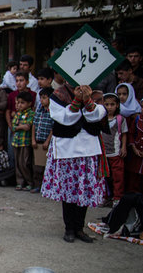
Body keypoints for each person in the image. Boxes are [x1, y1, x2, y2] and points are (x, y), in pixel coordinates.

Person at [41, 84, 106, 243]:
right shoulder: (59, 94)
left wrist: (87, 99)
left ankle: (79, 228)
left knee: (83, 190)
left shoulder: (96, 93)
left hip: (88, 148)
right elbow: (63, 118)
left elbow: (97, 115)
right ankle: (69, 228)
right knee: (69, 190)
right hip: (67, 149)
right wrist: (77, 100)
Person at [125, 91, 143, 201]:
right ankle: (134, 195)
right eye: (142, 107)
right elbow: (132, 133)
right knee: (134, 175)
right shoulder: (138, 120)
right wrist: (134, 148)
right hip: (137, 152)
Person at [100, 93, 127, 206]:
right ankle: (104, 197)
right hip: (103, 153)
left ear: (117, 105)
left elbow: (124, 134)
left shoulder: (120, 119)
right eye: (106, 104)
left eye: (112, 104)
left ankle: (117, 198)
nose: (109, 107)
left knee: (118, 177)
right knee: (103, 177)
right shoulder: (100, 119)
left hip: (115, 153)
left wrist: (124, 147)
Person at [31, 87, 53, 193]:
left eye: (44, 98)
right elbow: (34, 125)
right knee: (37, 165)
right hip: (38, 140)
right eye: (41, 98)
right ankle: (37, 185)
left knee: (47, 166)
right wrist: (33, 139)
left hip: (46, 141)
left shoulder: (53, 111)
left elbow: (54, 128)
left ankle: (47, 187)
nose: (42, 100)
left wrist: (48, 141)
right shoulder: (39, 109)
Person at [11, 92, 35, 191]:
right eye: (18, 103)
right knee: (17, 163)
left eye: (22, 103)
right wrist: (20, 126)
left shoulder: (31, 113)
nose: (20, 105)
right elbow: (13, 127)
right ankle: (19, 182)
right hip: (16, 142)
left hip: (25, 142)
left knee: (25, 163)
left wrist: (18, 127)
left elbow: (27, 127)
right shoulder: (18, 113)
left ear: (29, 103)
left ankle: (29, 182)